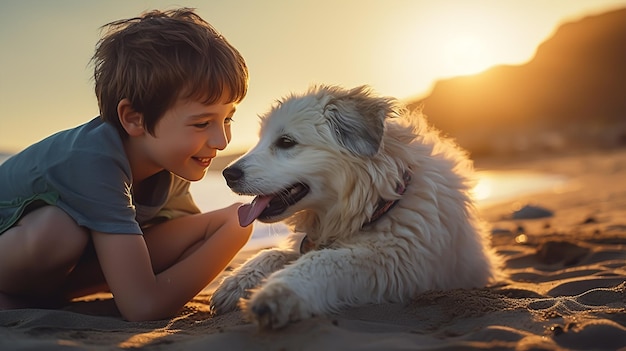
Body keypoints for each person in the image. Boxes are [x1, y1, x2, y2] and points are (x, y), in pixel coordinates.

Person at [0, 8, 253, 321]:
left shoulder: (171, 162)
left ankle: (49, 298)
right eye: (202, 123)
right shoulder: (94, 160)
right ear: (134, 118)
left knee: (230, 221)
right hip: (14, 248)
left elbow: (180, 248)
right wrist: (146, 296)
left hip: (60, 275)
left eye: (227, 118)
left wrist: (235, 228)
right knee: (60, 231)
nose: (221, 140)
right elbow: (142, 308)